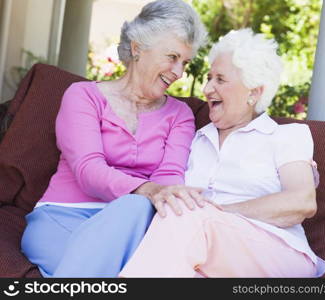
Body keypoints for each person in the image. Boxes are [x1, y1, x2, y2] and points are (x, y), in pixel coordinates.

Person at [119, 28, 325, 278]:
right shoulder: (196, 139)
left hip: (277, 252)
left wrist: (216, 212)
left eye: (220, 79)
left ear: (253, 92)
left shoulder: (286, 136)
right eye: (209, 78)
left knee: (187, 218)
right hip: (208, 252)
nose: (207, 89)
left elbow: (301, 201)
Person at [21, 0, 207, 278]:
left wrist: (149, 195)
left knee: (133, 208)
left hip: (134, 226)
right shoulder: (83, 96)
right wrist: (148, 189)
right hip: (64, 217)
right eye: (172, 57)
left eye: (185, 62)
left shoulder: (180, 114)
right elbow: (88, 170)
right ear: (137, 48)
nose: (179, 72)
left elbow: (169, 178)